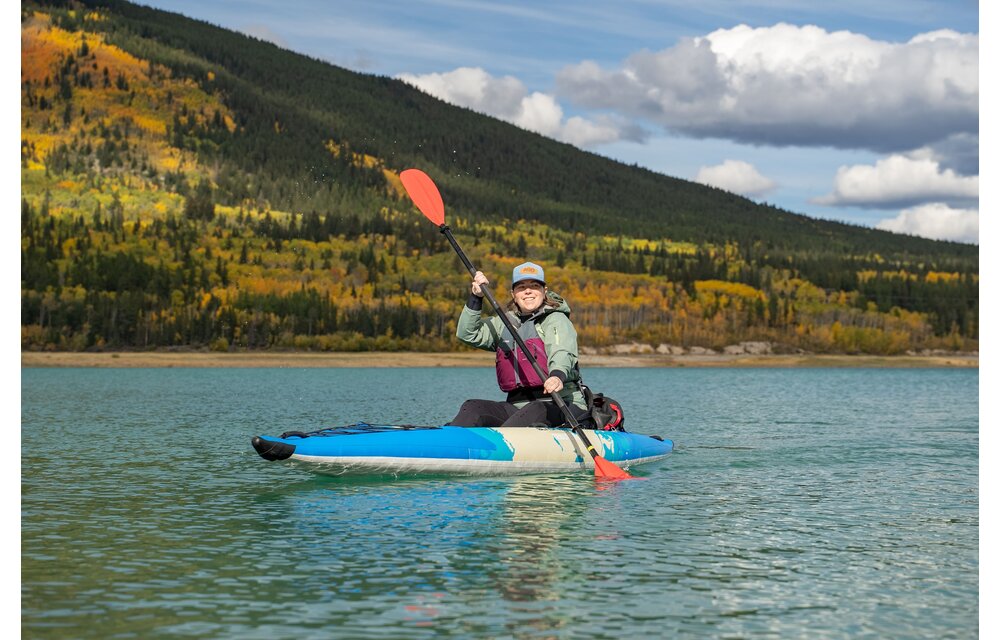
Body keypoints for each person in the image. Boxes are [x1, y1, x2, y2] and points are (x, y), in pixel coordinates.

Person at [446, 261, 592, 428]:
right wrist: (476, 297)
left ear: (544, 291)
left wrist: (557, 375)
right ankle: (445, 444)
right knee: (473, 407)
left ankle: (500, 446)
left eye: (534, 285)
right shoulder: (505, 323)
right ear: (513, 294)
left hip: (562, 404)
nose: (528, 290)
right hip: (517, 407)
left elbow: (562, 352)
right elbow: (468, 333)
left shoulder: (556, 320)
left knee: (535, 409)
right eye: (521, 287)